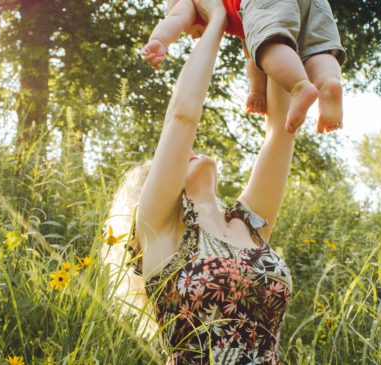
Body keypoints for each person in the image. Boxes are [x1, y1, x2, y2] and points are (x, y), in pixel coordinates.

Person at [104, 1, 299, 362]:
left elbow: (281, 131)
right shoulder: (160, 230)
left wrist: (266, 24)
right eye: (182, 156)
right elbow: (182, 116)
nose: (189, 150)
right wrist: (218, 18)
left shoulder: (249, 224)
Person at [141, 0, 346, 134]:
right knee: (317, 49)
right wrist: (257, 92)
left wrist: (160, 39)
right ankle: (328, 84)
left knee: (270, 46)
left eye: (190, 32)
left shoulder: (193, 3)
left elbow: (176, 17)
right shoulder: (245, 23)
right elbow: (253, 58)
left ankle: (299, 86)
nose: (194, 35)